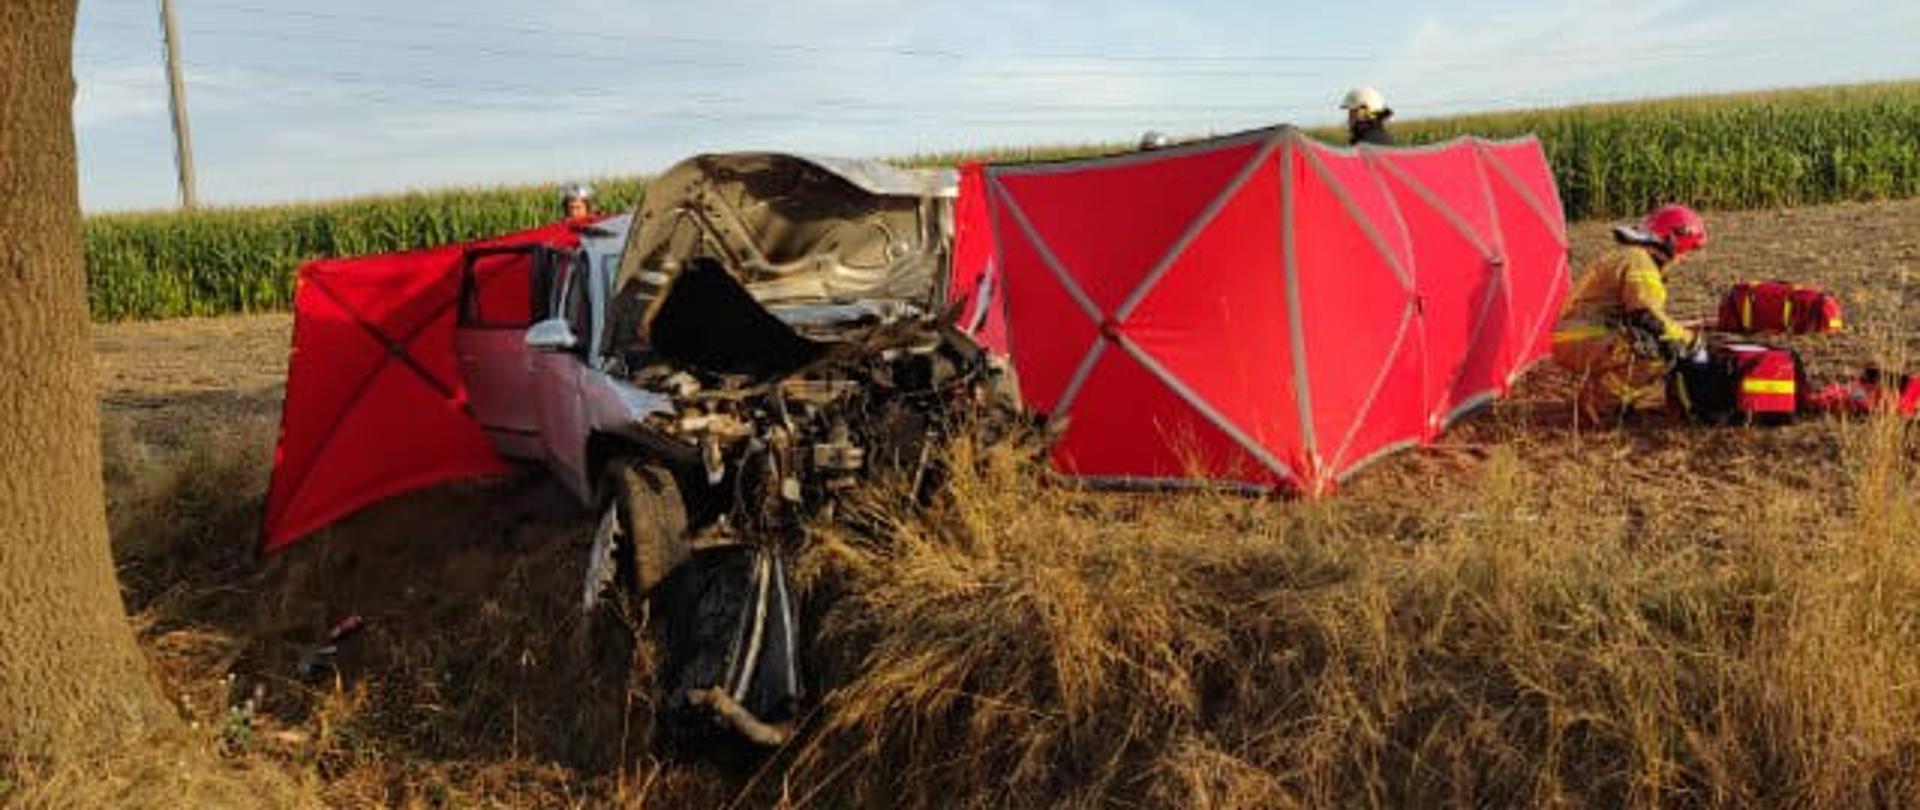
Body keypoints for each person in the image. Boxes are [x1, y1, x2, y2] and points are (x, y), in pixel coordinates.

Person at [1550, 204, 1710, 424]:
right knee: (1652, 350)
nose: (1682, 259)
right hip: (1585, 335)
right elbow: (1645, 314)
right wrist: (1689, 341)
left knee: (1647, 340)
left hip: (1579, 334)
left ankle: (1602, 396)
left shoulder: (1631, 256)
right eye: (1686, 251)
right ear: (1673, 239)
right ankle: (1601, 407)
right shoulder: (1640, 262)